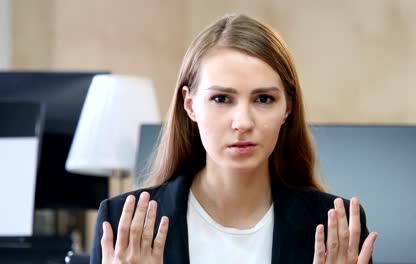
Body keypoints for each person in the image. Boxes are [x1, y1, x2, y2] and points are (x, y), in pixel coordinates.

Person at [90, 13, 377, 264]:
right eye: (221, 98)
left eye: (264, 98)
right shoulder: (122, 225)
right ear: (190, 105)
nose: (242, 123)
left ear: (287, 107)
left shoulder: (335, 227)